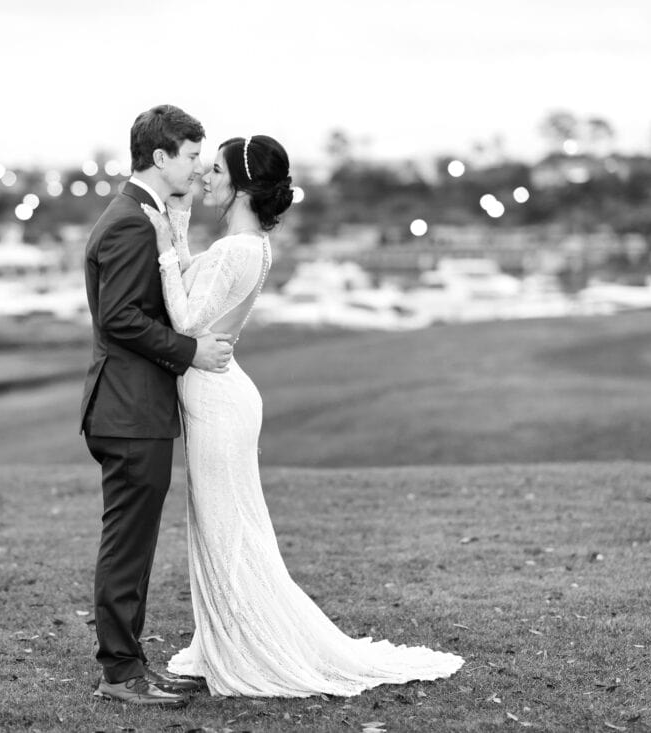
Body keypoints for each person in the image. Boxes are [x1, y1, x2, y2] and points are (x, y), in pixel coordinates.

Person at [140, 134, 464, 697]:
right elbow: (200, 287)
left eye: (214, 170)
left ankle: (248, 646)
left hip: (218, 401)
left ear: (240, 182)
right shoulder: (247, 244)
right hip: (222, 393)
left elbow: (187, 317)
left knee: (226, 530)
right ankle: (225, 637)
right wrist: (179, 226)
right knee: (225, 526)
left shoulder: (238, 250)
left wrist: (166, 249)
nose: (204, 177)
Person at [80, 104, 235, 708]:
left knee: (136, 543)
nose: (199, 167)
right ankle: (119, 674)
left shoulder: (149, 214)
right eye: (193, 156)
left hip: (135, 407)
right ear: (162, 156)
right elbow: (119, 318)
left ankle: (131, 665)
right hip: (126, 409)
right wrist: (191, 351)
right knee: (128, 544)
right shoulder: (127, 222)